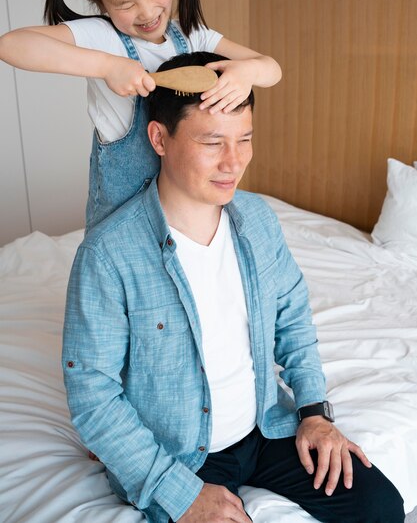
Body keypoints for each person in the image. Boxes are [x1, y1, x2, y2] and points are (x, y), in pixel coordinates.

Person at [62, 52, 404, 523]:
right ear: (159, 138)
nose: (234, 161)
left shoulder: (258, 220)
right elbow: (92, 394)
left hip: (266, 426)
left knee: (380, 507)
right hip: (179, 454)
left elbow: (293, 318)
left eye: (245, 139)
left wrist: (314, 412)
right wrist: (177, 492)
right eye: (212, 142)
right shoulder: (108, 254)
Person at [0, 0, 281, 231]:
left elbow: (272, 69)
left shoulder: (192, 34)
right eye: (125, 4)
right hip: (123, 216)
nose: (147, 12)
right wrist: (105, 65)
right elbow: (11, 45)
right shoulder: (103, 38)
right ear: (99, 1)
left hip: (185, 211)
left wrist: (247, 72)